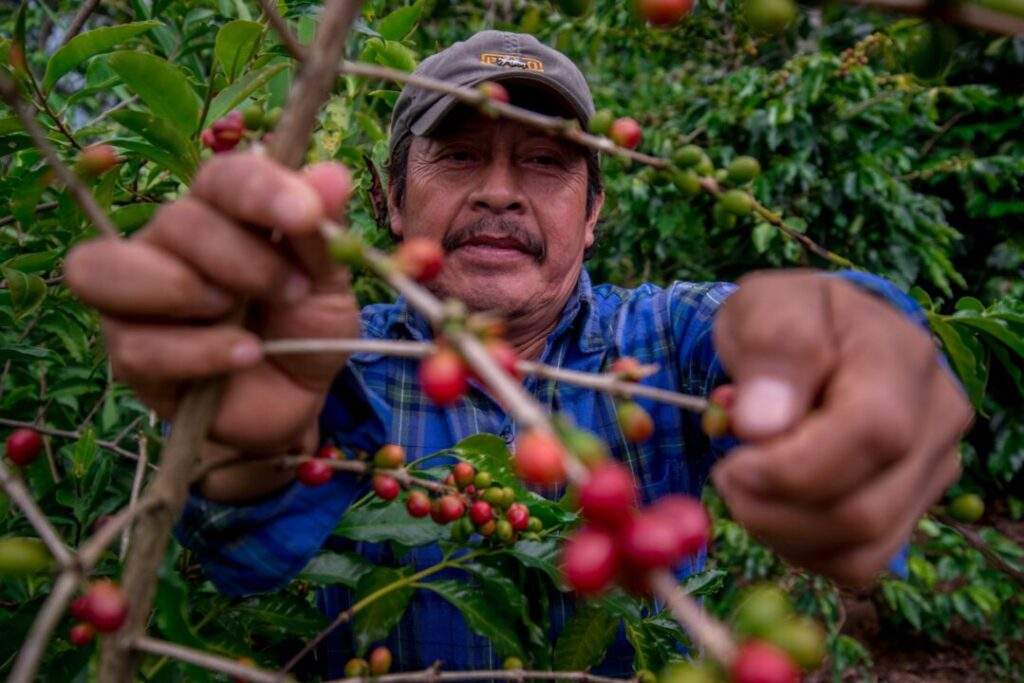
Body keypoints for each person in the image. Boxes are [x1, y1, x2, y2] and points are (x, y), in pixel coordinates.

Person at [65, 30, 971, 677]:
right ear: (389, 200)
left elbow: (765, 331)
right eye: (457, 157)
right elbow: (238, 552)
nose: (499, 192)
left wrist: (851, 347)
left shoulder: (657, 339)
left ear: (593, 212)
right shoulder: (327, 358)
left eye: (545, 164)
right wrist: (244, 457)